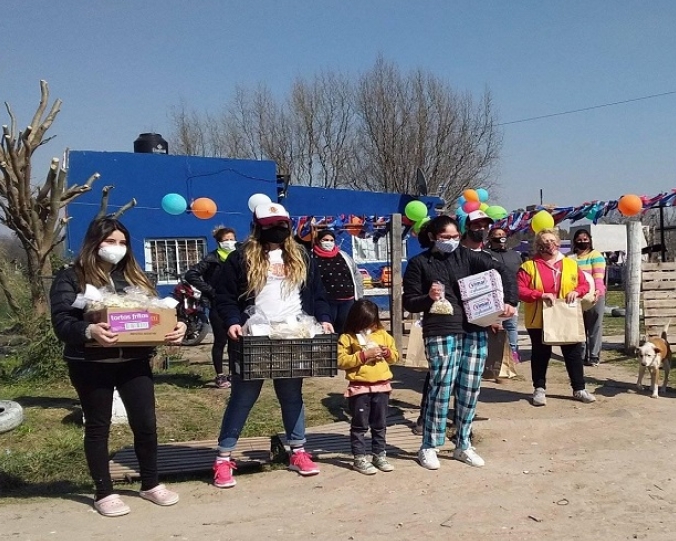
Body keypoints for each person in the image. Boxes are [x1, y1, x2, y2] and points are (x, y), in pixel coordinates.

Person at [50, 217, 187, 517]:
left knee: (146, 424)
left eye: (122, 242)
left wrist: (177, 326)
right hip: (90, 363)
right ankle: (104, 492)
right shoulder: (71, 278)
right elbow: (62, 322)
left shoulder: (135, 278)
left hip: (134, 362)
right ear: (94, 243)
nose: (117, 248)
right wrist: (90, 332)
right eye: (110, 242)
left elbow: (157, 314)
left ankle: (150, 483)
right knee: (98, 426)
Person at [211, 202, 334, 488]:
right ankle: (223, 458)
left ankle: (298, 451)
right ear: (257, 227)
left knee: (292, 394)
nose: (278, 230)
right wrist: (232, 320)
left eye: (282, 225)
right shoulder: (241, 257)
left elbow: (317, 293)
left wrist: (324, 318)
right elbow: (225, 295)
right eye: (271, 226)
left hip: (294, 332)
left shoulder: (301, 255)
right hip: (254, 333)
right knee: (243, 396)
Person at [402, 215, 518, 471]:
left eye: (455, 237)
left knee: (470, 388)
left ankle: (463, 443)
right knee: (441, 387)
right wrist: (428, 298)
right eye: (446, 238)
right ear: (433, 237)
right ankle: (429, 445)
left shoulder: (468, 257)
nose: (452, 242)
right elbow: (409, 301)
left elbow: (502, 272)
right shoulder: (419, 263)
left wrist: (509, 300)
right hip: (441, 330)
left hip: (475, 329)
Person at [518, 228, 595, 406]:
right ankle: (539, 389)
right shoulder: (529, 266)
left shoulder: (570, 264)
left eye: (553, 241)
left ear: (559, 243)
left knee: (573, 352)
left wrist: (576, 291)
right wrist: (539, 295)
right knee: (540, 353)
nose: (550, 244)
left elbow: (584, 284)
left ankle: (579, 388)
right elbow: (520, 290)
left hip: (565, 314)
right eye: (545, 241)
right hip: (539, 317)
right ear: (538, 245)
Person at [337, 299, 400, 475]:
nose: (368, 327)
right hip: (360, 388)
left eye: (371, 322)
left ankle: (379, 454)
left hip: (382, 387)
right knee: (359, 425)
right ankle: (359, 458)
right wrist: (363, 356)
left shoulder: (382, 334)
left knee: (380, 423)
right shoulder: (347, 337)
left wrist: (387, 353)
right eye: (364, 323)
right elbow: (342, 361)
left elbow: (395, 356)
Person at [184, 226, 238, 388]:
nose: (229, 242)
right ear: (219, 242)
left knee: (235, 342)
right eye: (226, 240)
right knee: (220, 340)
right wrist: (209, 290)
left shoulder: (238, 256)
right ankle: (220, 375)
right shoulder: (212, 258)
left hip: (235, 303)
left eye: (232, 239)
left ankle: (234, 374)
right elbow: (191, 274)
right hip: (218, 304)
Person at [311, 229, 364, 333]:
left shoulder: (343, 255)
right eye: (325, 240)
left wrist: (359, 295)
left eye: (331, 240)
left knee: (346, 331)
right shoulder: (312, 257)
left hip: (347, 301)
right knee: (328, 330)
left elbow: (356, 273)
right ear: (318, 241)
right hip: (326, 302)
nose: (329, 243)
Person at [569, 229, 607, 366]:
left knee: (594, 325)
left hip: (594, 296)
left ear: (590, 240)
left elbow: (598, 276)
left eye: (585, 239)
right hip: (576, 296)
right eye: (579, 239)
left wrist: (598, 291)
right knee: (579, 326)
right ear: (574, 241)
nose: (583, 241)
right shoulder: (570, 259)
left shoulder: (596, 256)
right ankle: (581, 354)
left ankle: (594, 355)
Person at [487, 226, 525, 363]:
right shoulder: (485, 254)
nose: (501, 237)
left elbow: (521, 275)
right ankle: (494, 355)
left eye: (503, 234)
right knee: (493, 326)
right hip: (493, 298)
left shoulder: (515, 255)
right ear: (490, 239)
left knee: (511, 325)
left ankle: (513, 353)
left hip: (512, 297)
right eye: (497, 235)